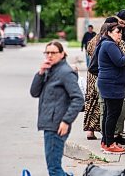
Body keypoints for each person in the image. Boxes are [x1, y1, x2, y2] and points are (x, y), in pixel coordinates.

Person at [30, 41, 84, 176]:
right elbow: (34, 92)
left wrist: (66, 121)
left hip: (57, 125)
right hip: (49, 123)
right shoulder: (49, 70)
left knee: (54, 169)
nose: (49, 56)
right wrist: (40, 73)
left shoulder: (65, 73)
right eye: (47, 53)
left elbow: (78, 99)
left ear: (62, 54)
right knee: (54, 167)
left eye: (53, 53)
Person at [98, 23, 125, 154]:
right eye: (117, 32)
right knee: (112, 114)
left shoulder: (108, 44)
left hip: (111, 83)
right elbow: (119, 61)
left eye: (120, 32)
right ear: (109, 33)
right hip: (111, 84)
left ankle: (105, 141)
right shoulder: (109, 45)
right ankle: (109, 144)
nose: (120, 35)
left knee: (109, 114)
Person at [83, 17, 118, 141]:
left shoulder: (94, 40)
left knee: (91, 102)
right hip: (102, 75)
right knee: (104, 107)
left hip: (92, 75)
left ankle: (90, 131)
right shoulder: (108, 42)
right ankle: (107, 136)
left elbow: (88, 51)